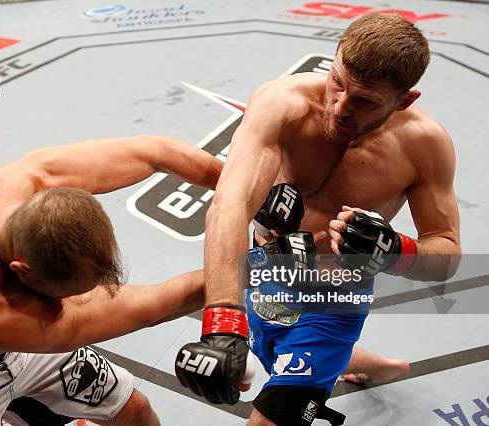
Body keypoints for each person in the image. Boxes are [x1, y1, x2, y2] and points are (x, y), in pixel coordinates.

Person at [175, 13, 461, 425]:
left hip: (334, 300)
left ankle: (333, 360)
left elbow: (447, 253)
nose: (340, 107)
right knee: (273, 348)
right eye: (337, 81)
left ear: (404, 101)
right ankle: (380, 366)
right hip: (265, 268)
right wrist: (223, 319)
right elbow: (230, 205)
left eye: (364, 101)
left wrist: (399, 251)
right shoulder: (283, 103)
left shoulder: (424, 146)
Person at [0, 135, 224, 425]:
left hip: (11, 352)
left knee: (135, 412)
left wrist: (247, 189)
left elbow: (155, 152)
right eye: (65, 296)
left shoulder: (22, 179)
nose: (71, 301)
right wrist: (254, 268)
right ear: (22, 270)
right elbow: (152, 308)